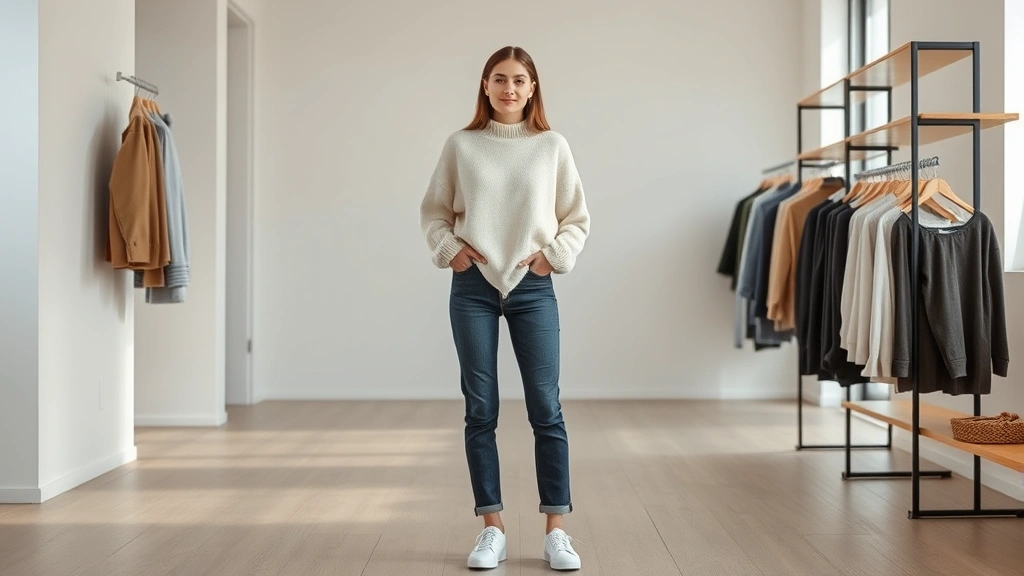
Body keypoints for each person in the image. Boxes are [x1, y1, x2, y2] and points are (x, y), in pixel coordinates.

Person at [419, 45, 591, 571]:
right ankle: (491, 527)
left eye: (519, 79)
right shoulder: (462, 146)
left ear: (533, 87)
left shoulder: (551, 146)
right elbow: (434, 213)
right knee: (480, 408)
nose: (509, 88)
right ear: (485, 85)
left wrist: (553, 258)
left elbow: (576, 218)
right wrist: (451, 251)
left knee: (546, 406)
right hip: (473, 287)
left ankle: (555, 531)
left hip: (533, 288)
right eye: (499, 79)